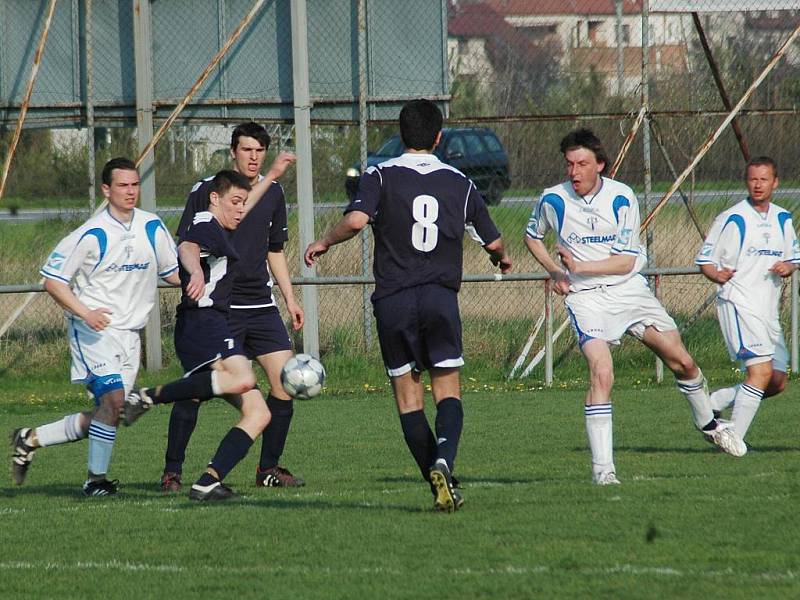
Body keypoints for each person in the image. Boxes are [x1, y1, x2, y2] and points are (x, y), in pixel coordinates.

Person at [304, 99, 512, 512]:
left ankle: (437, 479)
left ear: (401, 135)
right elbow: (493, 241)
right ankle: (444, 461)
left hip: (394, 299)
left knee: (408, 400)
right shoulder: (460, 181)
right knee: (447, 391)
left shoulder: (379, 175)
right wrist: (500, 258)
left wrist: (324, 241)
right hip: (439, 297)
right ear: (438, 137)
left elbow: (357, 220)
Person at [524, 128, 747, 486]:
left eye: (582, 163)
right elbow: (532, 236)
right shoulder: (553, 199)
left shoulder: (621, 197)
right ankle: (604, 473)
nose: (574, 172)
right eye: (569, 164)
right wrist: (554, 271)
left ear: (600, 165)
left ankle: (709, 425)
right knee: (602, 372)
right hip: (587, 299)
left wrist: (578, 267)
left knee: (683, 362)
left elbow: (625, 262)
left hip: (629, 291)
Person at [10, 157, 180, 496]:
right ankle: (95, 481)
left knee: (109, 413)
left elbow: (173, 274)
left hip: (131, 335)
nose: (130, 192)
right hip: (93, 331)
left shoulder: (152, 226)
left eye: (134, 185)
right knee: (116, 401)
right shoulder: (91, 233)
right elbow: (53, 282)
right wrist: (85, 313)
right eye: (122, 185)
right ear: (106, 190)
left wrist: (204, 272)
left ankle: (29, 438)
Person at [123, 169, 288, 501]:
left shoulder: (223, 222)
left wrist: (272, 174)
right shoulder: (205, 223)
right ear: (215, 199)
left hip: (213, 322)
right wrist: (196, 268)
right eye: (235, 202)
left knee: (260, 413)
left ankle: (209, 480)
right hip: (202, 322)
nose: (241, 209)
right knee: (241, 378)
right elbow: (187, 245)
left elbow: (240, 204)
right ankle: (148, 396)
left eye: (244, 202)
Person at [159, 122, 303, 493]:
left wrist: (290, 298)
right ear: (233, 151)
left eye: (259, 151)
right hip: (219, 310)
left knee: (284, 383)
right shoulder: (209, 192)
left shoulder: (272, 193)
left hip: (261, 305)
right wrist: (194, 275)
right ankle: (172, 471)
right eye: (247, 150)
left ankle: (267, 468)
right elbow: (188, 242)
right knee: (196, 390)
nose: (253, 157)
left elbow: (275, 250)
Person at [696, 156, 799, 444]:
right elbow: (704, 260)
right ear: (747, 181)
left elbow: (793, 257)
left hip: (768, 312)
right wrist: (716, 275)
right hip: (739, 304)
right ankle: (733, 440)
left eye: (764, 179)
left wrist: (788, 267)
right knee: (761, 372)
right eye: (753, 179)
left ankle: (718, 400)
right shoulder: (732, 217)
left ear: (775, 183)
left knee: (776, 381)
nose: (758, 184)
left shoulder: (782, 218)